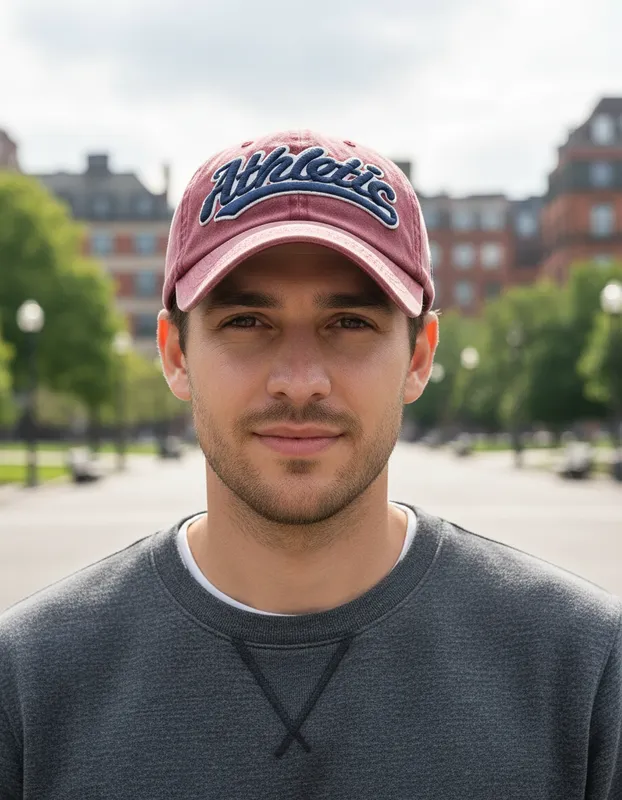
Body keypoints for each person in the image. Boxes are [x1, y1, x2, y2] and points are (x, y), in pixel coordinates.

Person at [0, 130, 620, 799]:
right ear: (175, 353)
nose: (300, 381)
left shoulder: (584, 672)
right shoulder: (29, 683)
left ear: (419, 357)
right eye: (246, 321)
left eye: (349, 322)